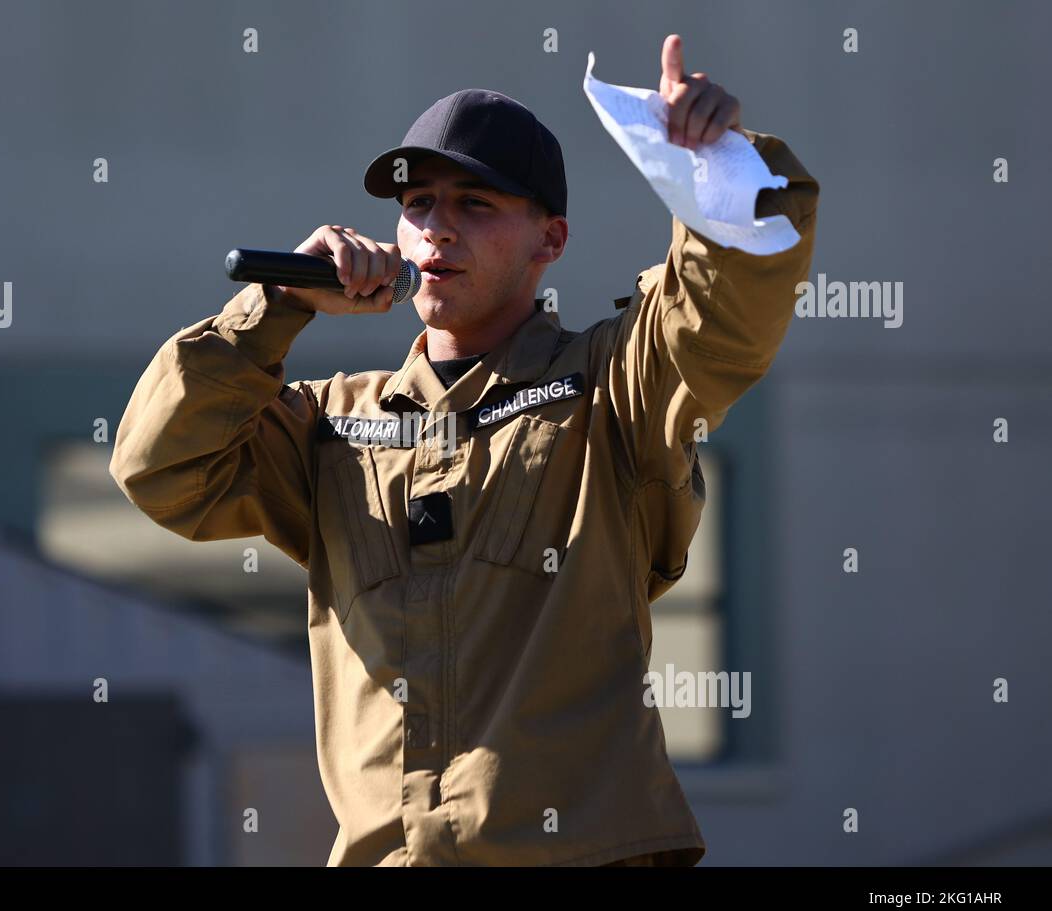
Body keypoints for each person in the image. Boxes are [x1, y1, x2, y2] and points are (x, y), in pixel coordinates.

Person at [109, 34, 819, 866]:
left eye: (475, 205)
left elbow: (724, 312)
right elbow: (162, 470)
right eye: (418, 205)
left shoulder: (614, 385)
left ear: (549, 241)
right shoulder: (330, 423)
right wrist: (274, 308)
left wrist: (716, 162)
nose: (436, 229)